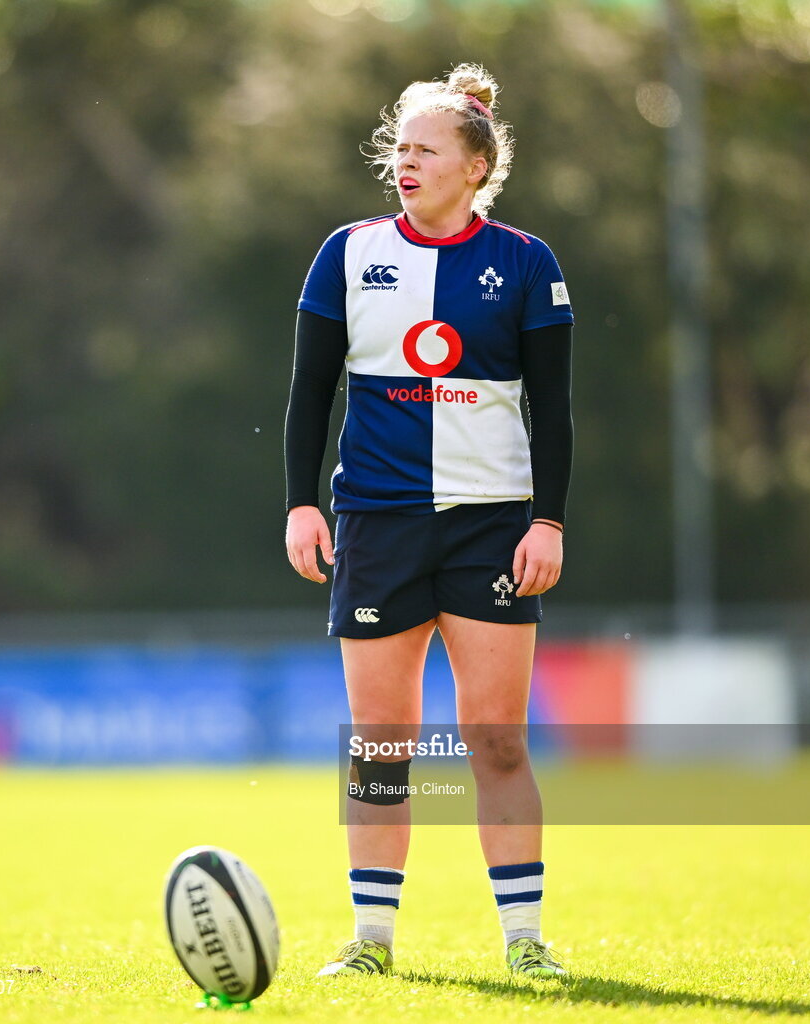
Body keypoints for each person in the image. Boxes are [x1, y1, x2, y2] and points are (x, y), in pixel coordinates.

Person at [284, 63, 574, 981]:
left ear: (474, 166)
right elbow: (307, 395)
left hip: (491, 527)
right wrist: (299, 501)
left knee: (495, 739)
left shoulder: (526, 262)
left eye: (423, 149)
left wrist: (548, 523)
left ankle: (525, 943)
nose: (403, 162)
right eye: (397, 147)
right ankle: (370, 944)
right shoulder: (347, 251)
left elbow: (555, 411)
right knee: (380, 744)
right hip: (375, 522)